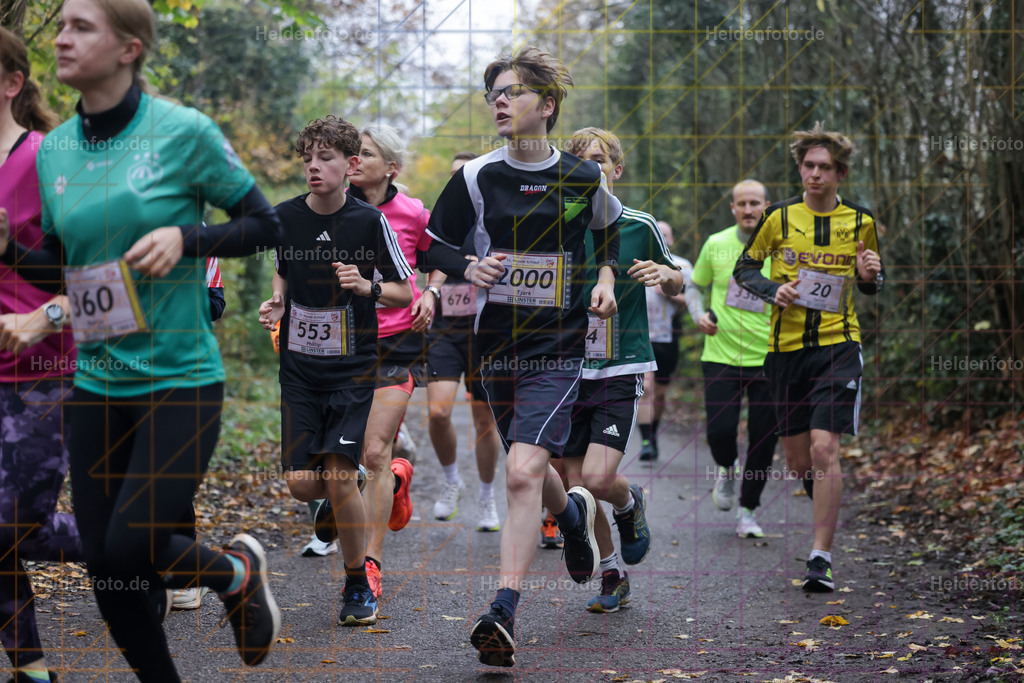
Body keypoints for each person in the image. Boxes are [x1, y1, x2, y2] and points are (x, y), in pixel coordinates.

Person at [0, 0, 286, 678]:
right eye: (60, 25)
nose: (63, 39)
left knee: (131, 544)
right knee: (107, 566)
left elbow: (266, 225)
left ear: (129, 47)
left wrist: (188, 237)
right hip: (97, 379)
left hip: (179, 378)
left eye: (81, 27)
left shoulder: (182, 132)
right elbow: (68, 265)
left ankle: (233, 569)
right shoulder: (61, 147)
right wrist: (10, 248)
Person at [425, 45, 622, 667]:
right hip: (495, 346)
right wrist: (467, 265)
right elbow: (433, 240)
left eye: (512, 91)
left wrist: (607, 280)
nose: (500, 101)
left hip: (559, 346)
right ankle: (570, 518)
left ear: (548, 105)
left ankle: (502, 609)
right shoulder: (477, 175)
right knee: (528, 469)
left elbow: (609, 229)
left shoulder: (584, 177)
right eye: (494, 94)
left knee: (519, 472)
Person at [258, 115, 413, 626]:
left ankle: (356, 586)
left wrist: (364, 286)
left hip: (352, 370)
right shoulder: (284, 218)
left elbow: (404, 292)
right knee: (304, 485)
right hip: (300, 371)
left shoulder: (370, 222)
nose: (313, 168)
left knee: (341, 477)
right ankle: (362, 489)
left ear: (350, 166)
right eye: (308, 159)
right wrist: (278, 302)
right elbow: (283, 269)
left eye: (325, 158)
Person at [734, 122, 883, 593]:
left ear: (840, 174)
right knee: (800, 461)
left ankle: (821, 556)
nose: (814, 174)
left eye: (824, 168)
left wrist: (868, 276)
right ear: (801, 169)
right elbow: (745, 269)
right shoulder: (777, 217)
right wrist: (772, 289)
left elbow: (871, 283)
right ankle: (825, 507)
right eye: (808, 166)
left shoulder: (861, 223)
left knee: (825, 448)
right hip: (785, 352)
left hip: (839, 346)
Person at [559, 127, 683, 613]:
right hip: (565, 367)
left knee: (596, 477)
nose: (594, 171)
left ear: (617, 168)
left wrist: (665, 276)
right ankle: (613, 573)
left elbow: (676, 282)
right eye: (582, 163)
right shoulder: (558, 227)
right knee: (575, 485)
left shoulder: (639, 225)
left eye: (600, 161)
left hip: (620, 362)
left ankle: (630, 504)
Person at [0, 26, 81, 683]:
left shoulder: (49, 159)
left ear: (11, 82)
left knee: (20, 526)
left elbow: (112, 280)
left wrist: (41, 316)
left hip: (41, 374)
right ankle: (31, 671)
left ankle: (188, 557)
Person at [343, 123, 439, 599]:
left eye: (365, 154)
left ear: (391, 167)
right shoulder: (330, 205)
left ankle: (370, 566)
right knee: (343, 456)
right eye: (352, 153)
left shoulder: (413, 212)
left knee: (374, 452)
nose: (354, 160)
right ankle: (397, 480)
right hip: (338, 343)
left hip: (396, 342)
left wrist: (433, 292)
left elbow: (439, 256)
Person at [691, 180, 778, 538]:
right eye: (741, 203)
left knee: (763, 437)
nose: (747, 210)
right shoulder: (717, 244)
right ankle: (727, 468)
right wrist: (698, 314)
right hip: (721, 354)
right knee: (720, 431)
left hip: (771, 357)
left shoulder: (782, 246)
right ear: (732, 208)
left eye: (754, 203)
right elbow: (694, 285)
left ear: (767, 207)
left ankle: (748, 511)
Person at [426, 151, 502, 532]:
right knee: (438, 412)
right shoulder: (444, 222)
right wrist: (433, 291)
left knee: (484, 418)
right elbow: (435, 262)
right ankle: (452, 479)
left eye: (464, 176)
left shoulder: (497, 220)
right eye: (453, 175)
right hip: (445, 330)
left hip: (486, 331)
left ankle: (488, 496)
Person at [636, 221, 701, 462]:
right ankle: (645, 442)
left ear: (671, 240)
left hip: (669, 335)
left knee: (660, 392)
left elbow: (694, 300)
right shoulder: (635, 263)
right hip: (640, 334)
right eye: (657, 235)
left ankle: (652, 432)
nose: (662, 239)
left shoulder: (682, 265)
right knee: (647, 388)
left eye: (666, 235)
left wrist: (672, 293)